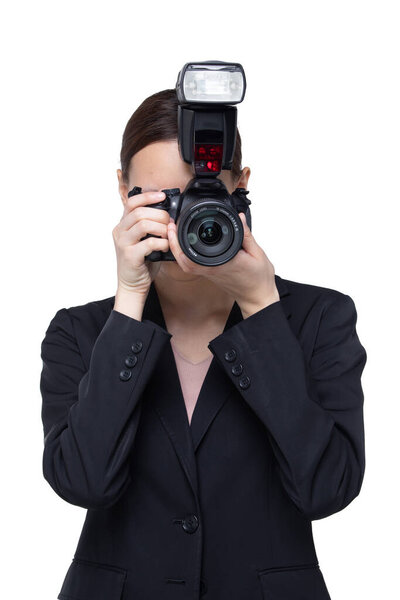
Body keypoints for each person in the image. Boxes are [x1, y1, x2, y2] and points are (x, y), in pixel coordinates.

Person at [40, 88, 367, 599]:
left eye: (200, 196)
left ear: (241, 187)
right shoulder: (79, 332)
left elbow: (326, 490)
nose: (180, 221)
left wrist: (261, 307)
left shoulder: (318, 318)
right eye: (159, 198)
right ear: (123, 189)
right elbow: (83, 483)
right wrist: (129, 298)